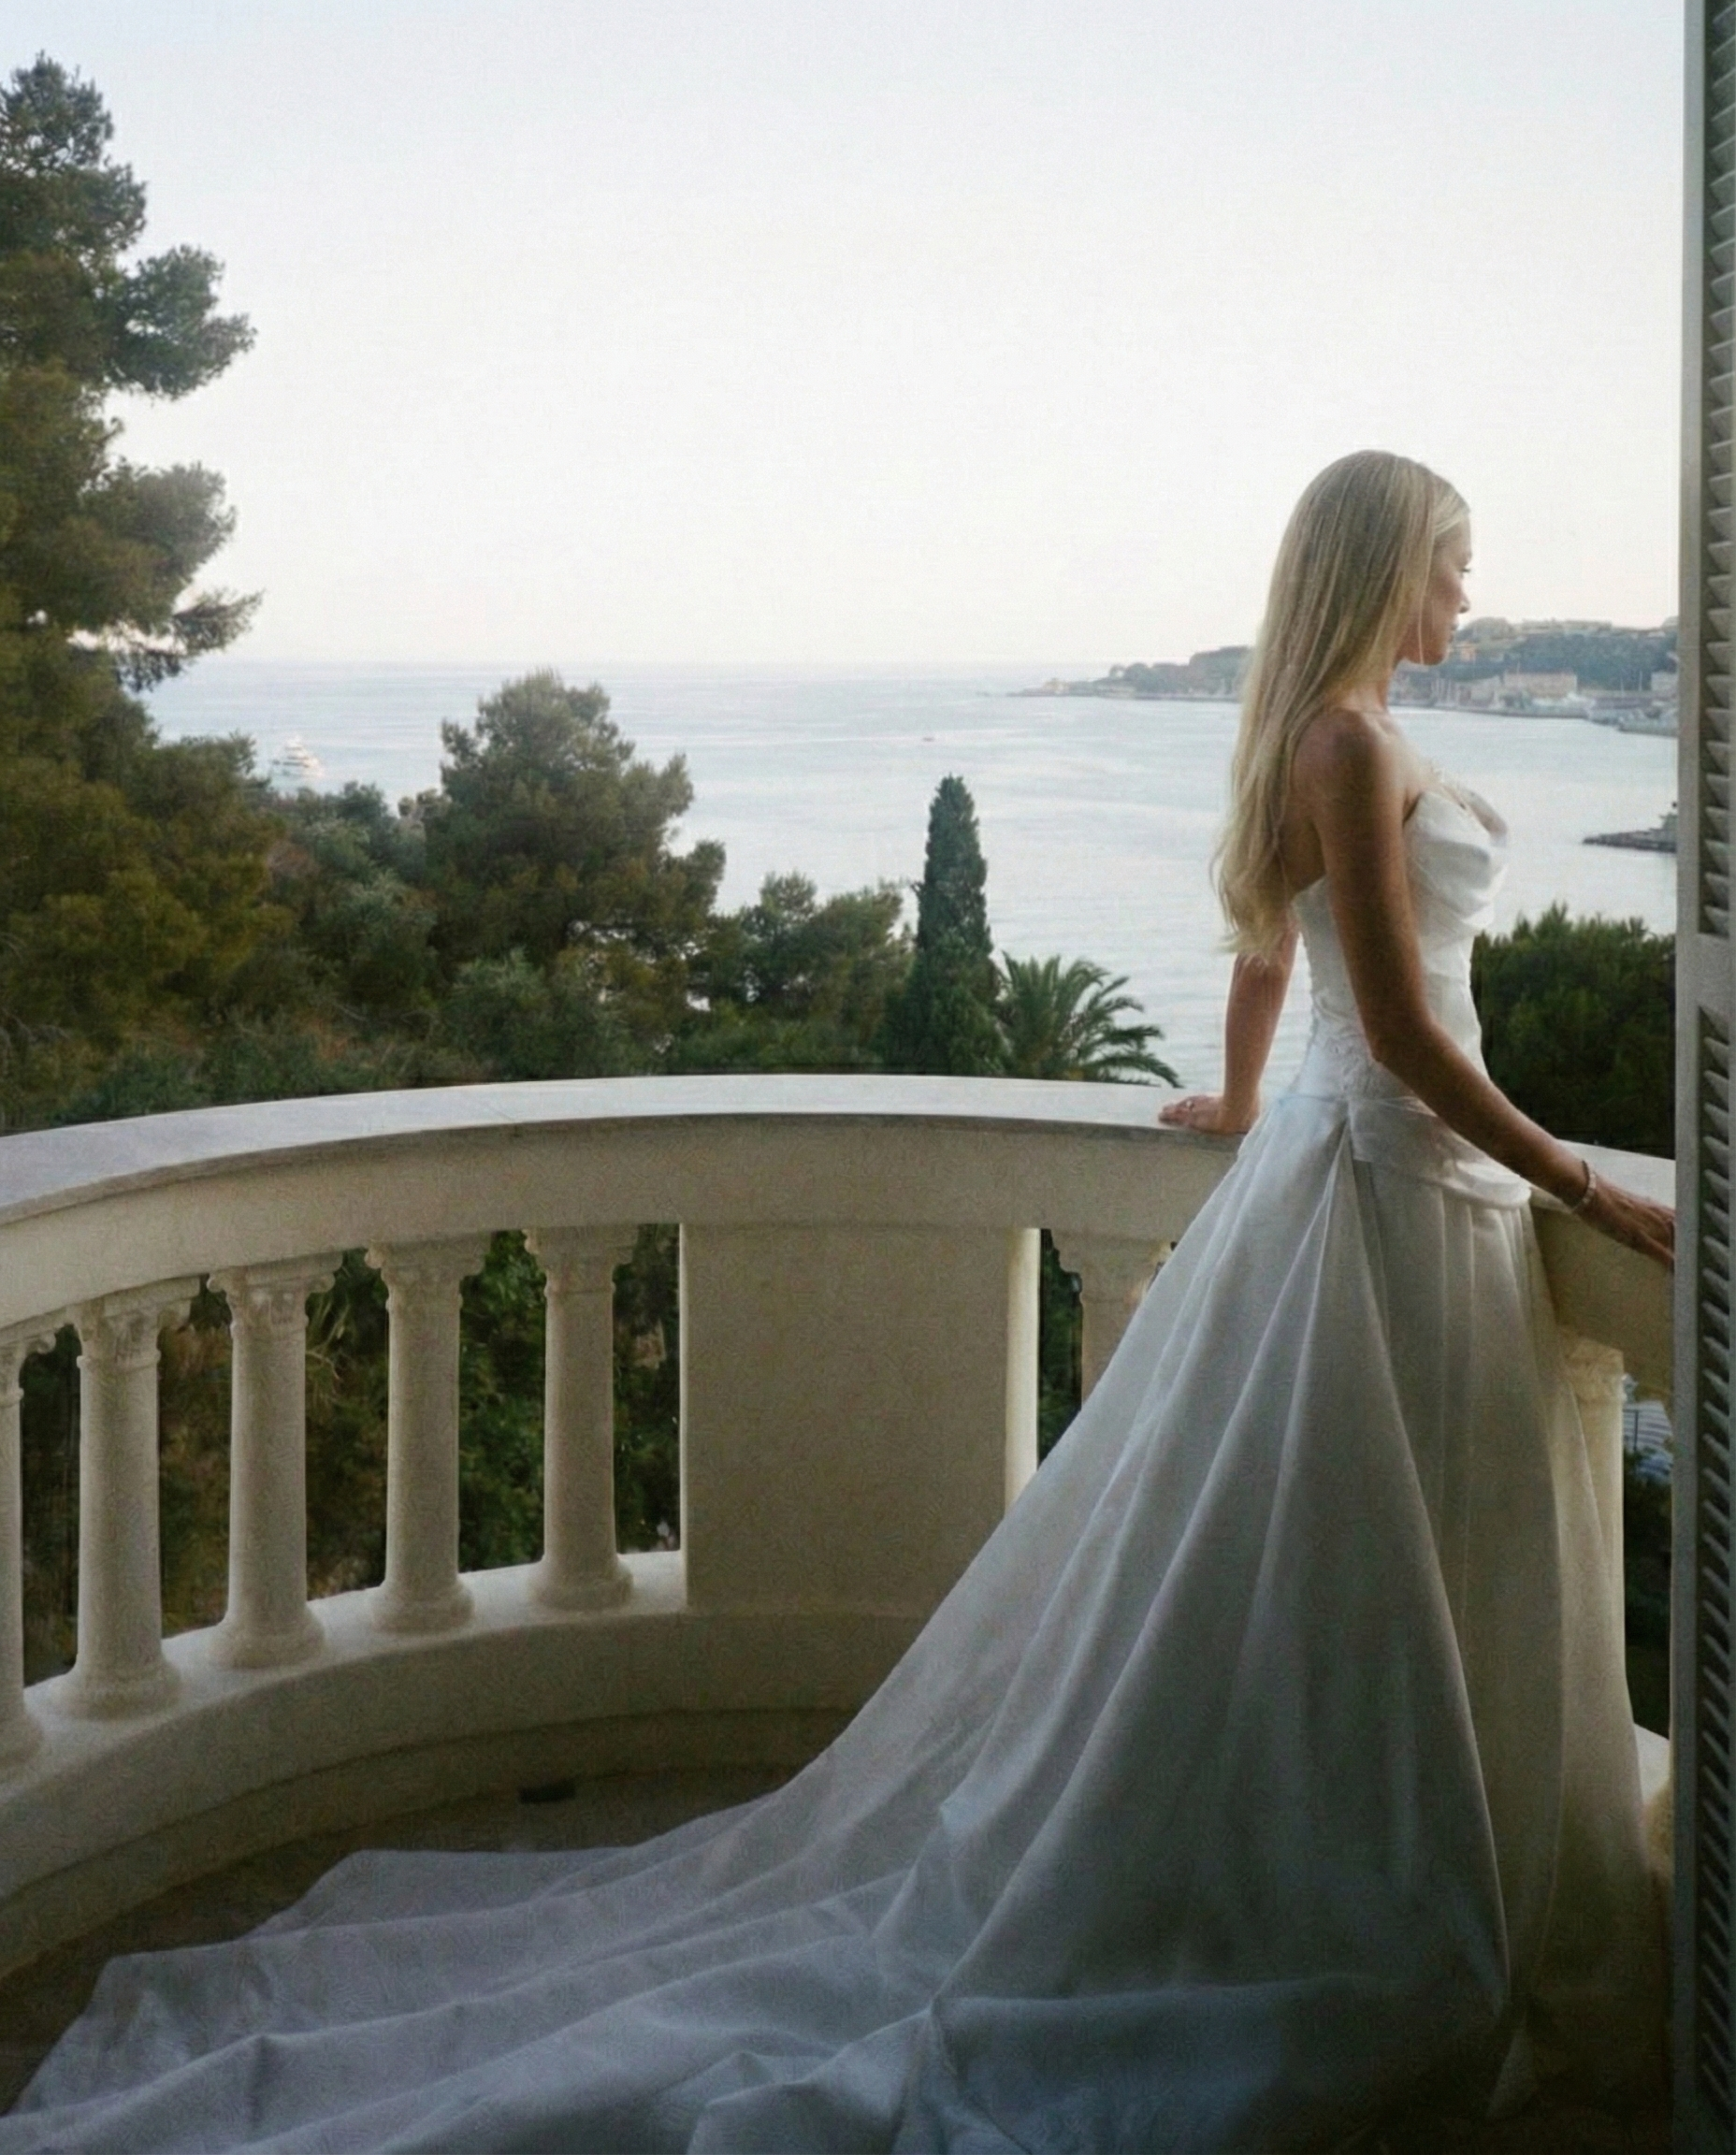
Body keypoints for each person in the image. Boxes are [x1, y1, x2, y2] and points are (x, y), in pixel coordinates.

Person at [1, 452, 1671, 2151]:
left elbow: (1278, 954)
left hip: (1380, 1182)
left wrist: (1244, 1101)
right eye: (1455, 568)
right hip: (1387, 1192)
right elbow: (1392, 1027)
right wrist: (1596, 1186)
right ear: (1390, 567)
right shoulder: (1349, 737)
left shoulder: (1334, 732)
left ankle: (1357, 1861)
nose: (1472, 597)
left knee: (1350, 1584)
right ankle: (1336, 1894)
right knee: (1352, 1581)